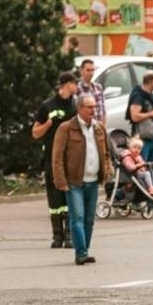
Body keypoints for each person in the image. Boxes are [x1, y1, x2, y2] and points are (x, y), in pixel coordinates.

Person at [51, 92, 111, 265]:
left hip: (93, 181)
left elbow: (106, 153)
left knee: (89, 220)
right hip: (74, 182)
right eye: (90, 106)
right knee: (77, 217)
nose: (94, 109)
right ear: (79, 109)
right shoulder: (66, 128)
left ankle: (84, 249)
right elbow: (57, 157)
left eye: (95, 106)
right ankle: (81, 252)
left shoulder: (99, 128)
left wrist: (106, 171)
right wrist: (61, 181)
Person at [31, 70, 78, 249]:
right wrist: (48, 124)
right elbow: (35, 133)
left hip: (70, 157)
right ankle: (57, 236)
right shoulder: (47, 106)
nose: (76, 86)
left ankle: (68, 236)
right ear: (66, 85)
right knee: (54, 195)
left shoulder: (74, 106)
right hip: (52, 157)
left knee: (69, 195)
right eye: (74, 83)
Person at [126, 70, 153, 163]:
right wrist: (151, 114)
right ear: (150, 81)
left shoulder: (150, 95)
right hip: (142, 140)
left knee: (151, 167)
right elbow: (134, 116)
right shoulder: (138, 96)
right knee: (142, 167)